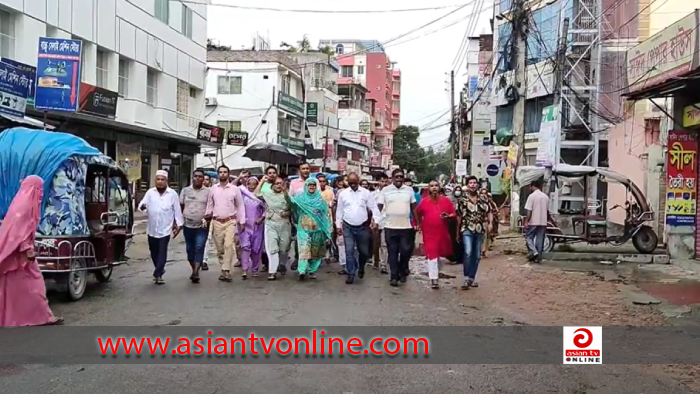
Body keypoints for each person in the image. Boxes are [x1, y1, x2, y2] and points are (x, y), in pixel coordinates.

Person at [0, 176, 63, 326]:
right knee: (35, 285)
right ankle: (43, 317)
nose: (41, 193)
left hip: (14, 257)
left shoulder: (20, 204)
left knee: (15, 290)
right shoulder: (27, 207)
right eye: (39, 189)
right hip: (21, 257)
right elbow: (19, 232)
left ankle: (25, 317)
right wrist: (27, 250)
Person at [138, 170, 183, 285]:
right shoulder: (150, 192)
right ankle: (160, 269)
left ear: (166, 181)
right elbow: (141, 206)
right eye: (158, 179)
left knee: (162, 251)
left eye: (162, 179)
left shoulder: (172, 194)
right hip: (152, 229)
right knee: (153, 252)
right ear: (155, 180)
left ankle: (158, 274)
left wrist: (179, 224)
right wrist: (143, 207)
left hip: (165, 229)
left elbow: (177, 210)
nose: (160, 181)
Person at [335, 172, 380, 284]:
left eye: (354, 183)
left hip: (363, 227)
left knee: (364, 252)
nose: (353, 185)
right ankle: (351, 273)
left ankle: (361, 267)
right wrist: (338, 225)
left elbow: (374, 208)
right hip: (347, 226)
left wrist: (376, 221)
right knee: (349, 251)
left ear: (358, 180)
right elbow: (339, 210)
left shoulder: (366, 193)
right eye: (350, 183)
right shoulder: (343, 194)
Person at [377, 169, 418, 287]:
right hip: (390, 226)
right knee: (392, 252)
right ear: (393, 178)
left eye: (401, 177)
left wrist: (417, 222)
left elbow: (414, 207)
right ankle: (394, 276)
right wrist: (375, 220)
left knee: (405, 251)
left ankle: (402, 269)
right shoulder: (386, 190)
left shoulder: (409, 190)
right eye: (397, 177)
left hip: (405, 226)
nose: (399, 179)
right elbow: (379, 206)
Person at [205, 165, 246, 282]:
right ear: (218, 174)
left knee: (229, 245)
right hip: (217, 221)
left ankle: (227, 270)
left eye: (225, 172)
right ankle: (224, 271)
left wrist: (242, 221)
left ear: (228, 174)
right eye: (221, 172)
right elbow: (210, 204)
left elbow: (240, 205)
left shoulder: (234, 189)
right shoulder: (213, 189)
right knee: (220, 249)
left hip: (230, 221)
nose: (223, 174)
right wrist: (207, 216)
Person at [416, 180, 456, 289]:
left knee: (439, 255)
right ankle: (434, 279)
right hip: (429, 232)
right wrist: (418, 224)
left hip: (442, 232)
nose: (434, 188)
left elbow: (453, 213)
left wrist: (448, 216)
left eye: (436, 186)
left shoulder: (446, 201)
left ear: (439, 187)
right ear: (429, 188)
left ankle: (436, 273)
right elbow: (417, 213)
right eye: (432, 186)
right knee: (432, 254)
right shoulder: (424, 201)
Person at [456, 175, 493, 289]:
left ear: (477, 185)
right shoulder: (462, 200)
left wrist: (490, 223)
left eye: (474, 183)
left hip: (479, 229)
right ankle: (466, 278)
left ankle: (472, 278)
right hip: (467, 228)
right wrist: (457, 232)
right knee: (468, 252)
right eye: (470, 183)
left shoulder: (483, 199)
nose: (472, 185)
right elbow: (458, 216)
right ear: (467, 185)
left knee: (476, 256)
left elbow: (489, 211)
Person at [291, 178, 332, 280]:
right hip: (303, 229)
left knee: (315, 251)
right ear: (306, 186)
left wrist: (327, 228)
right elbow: (293, 207)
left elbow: (325, 215)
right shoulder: (299, 198)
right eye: (310, 185)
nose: (312, 187)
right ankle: (302, 270)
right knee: (304, 249)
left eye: (313, 185)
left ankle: (312, 270)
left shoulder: (320, 200)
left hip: (317, 229)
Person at [255, 175, 292, 280]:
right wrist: (262, 181)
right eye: (276, 183)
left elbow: (292, 206)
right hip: (271, 223)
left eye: (281, 183)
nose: (279, 185)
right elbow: (256, 193)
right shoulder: (267, 194)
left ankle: (282, 264)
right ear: (272, 185)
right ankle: (272, 272)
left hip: (284, 224)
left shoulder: (286, 195)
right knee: (272, 248)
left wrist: (287, 212)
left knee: (284, 248)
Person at [179, 169, 210, 283]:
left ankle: (196, 272)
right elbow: (180, 206)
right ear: (192, 178)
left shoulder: (208, 192)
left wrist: (208, 217)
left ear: (203, 179)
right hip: (188, 225)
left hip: (202, 226)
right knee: (189, 249)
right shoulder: (185, 191)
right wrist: (179, 222)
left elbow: (211, 207)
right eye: (195, 176)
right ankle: (194, 269)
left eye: (200, 176)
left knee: (199, 247)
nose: (198, 178)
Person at [238, 177, 266, 279]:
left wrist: (261, 218)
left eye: (254, 184)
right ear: (247, 184)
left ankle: (254, 269)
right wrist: (241, 220)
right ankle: (244, 270)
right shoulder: (243, 194)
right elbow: (238, 207)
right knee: (245, 247)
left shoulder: (261, 196)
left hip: (257, 226)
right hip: (245, 226)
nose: (252, 186)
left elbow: (266, 209)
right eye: (250, 184)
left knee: (256, 249)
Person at [524, 178, 549, 263]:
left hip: (534, 221)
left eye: (530, 187)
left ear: (533, 186)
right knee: (540, 239)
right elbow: (547, 210)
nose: (529, 189)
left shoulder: (531, 196)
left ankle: (534, 251)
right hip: (543, 221)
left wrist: (526, 221)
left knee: (528, 237)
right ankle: (538, 257)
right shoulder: (545, 197)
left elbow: (529, 211)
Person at [403, 177, 422, 274]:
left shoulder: (416, 196)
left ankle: (405, 264)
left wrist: (418, 224)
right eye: (406, 186)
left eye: (410, 186)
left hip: (411, 225)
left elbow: (419, 211)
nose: (408, 188)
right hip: (399, 224)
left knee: (409, 247)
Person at [372, 173, 389, 274]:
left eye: (386, 181)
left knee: (384, 244)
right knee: (375, 243)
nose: (384, 183)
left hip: (387, 222)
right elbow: (371, 208)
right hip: (376, 221)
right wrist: (373, 221)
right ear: (378, 182)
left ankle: (384, 264)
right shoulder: (373, 194)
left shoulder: (390, 194)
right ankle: (376, 261)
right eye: (382, 181)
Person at [317, 174, 336, 262]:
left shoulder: (330, 192)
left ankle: (327, 255)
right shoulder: (314, 192)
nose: (321, 183)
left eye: (323, 181)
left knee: (328, 238)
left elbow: (333, 205)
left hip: (328, 217)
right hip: (317, 218)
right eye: (319, 181)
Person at [480, 188, 499, 257]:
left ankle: (484, 250)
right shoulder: (478, 201)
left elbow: (492, 211)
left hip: (487, 221)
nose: (483, 195)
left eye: (485, 193)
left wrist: (491, 222)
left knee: (486, 236)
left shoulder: (490, 203)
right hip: (478, 222)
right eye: (482, 193)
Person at [202, 173, 212, 270]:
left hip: (208, 219)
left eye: (207, 179)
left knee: (207, 240)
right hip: (196, 220)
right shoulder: (193, 191)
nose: (205, 181)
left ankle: (204, 260)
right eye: (203, 179)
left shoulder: (212, 191)